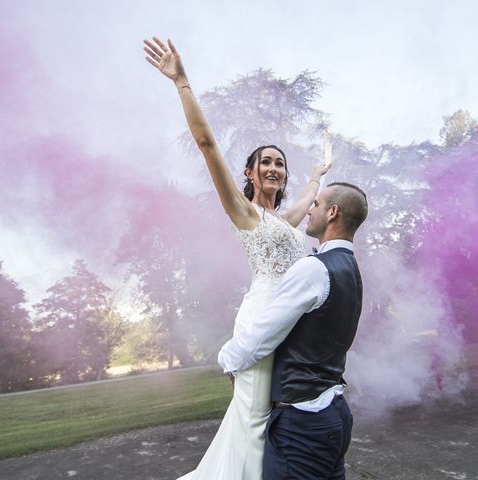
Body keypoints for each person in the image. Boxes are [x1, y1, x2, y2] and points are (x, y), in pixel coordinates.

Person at [143, 37, 331, 480]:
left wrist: (319, 174)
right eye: (266, 162)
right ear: (249, 172)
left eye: (280, 164)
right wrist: (182, 82)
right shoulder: (244, 213)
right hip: (261, 320)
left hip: (289, 322)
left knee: (271, 419)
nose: (274, 168)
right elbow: (207, 144)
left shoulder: (284, 221)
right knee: (252, 423)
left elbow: (305, 202)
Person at [219, 182, 369, 480]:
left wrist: (226, 359)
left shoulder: (313, 269)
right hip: (335, 414)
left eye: (316, 204)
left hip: (303, 425)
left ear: (332, 213)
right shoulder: (351, 270)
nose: (309, 210)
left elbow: (262, 336)